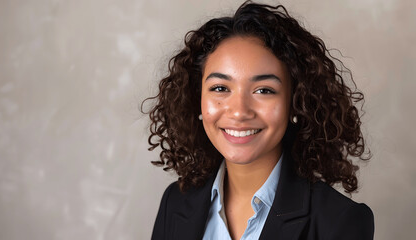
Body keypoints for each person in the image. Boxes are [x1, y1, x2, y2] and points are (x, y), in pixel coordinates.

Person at [145, 1, 374, 239]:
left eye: (264, 90)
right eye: (221, 88)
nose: (239, 111)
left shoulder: (338, 221)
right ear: (196, 98)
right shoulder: (175, 202)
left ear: (297, 102)